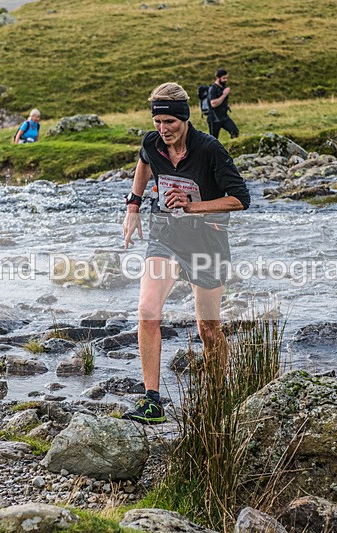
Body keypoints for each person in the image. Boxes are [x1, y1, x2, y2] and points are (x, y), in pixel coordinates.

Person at [121, 82, 250, 424]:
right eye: (157, 122)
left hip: (207, 242)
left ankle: (219, 394)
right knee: (148, 311)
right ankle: (152, 401)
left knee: (208, 328)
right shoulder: (152, 143)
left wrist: (194, 207)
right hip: (165, 235)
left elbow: (240, 199)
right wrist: (133, 206)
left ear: (185, 120)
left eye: (170, 123)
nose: (163, 130)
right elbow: (143, 162)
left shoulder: (210, 150)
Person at [207, 68, 239, 139]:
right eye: (224, 78)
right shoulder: (213, 89)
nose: (226, 80)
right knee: (214, 140)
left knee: (235, 131)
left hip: (224, 116)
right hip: (214, 118)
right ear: (218, 78)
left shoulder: (223, 87)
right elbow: (213, 104)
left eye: (226, 78)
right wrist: (224, 95)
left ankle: (232, 148)